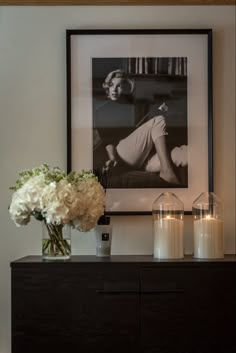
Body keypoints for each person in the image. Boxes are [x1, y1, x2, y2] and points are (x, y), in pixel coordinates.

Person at [94, 69, 187, 185]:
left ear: (125, 88)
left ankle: (167, 168)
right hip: (123, 154)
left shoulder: (134, 106)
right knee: (157, 121)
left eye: (120, 86)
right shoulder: (102, 111)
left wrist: (164, 109)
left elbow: (148, 128)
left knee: (184, 153)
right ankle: (166, 170)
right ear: (107, 87)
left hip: (142, 156)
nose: (115, 89)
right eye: (112, 85)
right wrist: (113, 158)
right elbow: (108, 141)